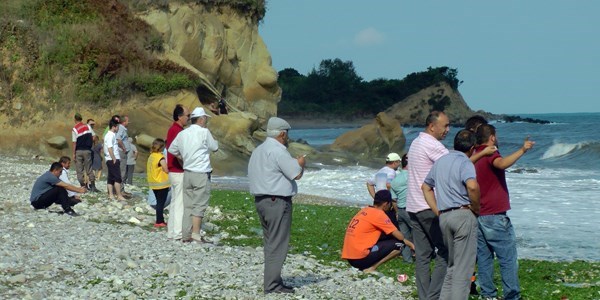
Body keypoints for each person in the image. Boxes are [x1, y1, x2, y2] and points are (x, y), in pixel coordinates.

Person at [407, 111, 496, 300]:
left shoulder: (416, 142)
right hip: (433, 208)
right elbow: (457, 164)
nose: (448, 129)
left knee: (423, 258)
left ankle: (426, 297)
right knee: (448, 257)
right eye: (445, 125)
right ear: (432, 126)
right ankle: (434, 296)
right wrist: (482, 154)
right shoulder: (433, 146)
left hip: (414, 205)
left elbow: (438, 173)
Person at [474, 124, 535, 300]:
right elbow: (501, 164)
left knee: (484, 259)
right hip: (495, 215)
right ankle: (512, 296)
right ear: (492, 137)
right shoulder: (490, 152)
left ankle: (488, 295)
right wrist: (523, 150)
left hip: (480, 214)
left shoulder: (473, 154)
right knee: (507, 258)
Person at [248, 117, 305, 294]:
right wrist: (301, 164)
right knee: (278, 244)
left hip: (261, 200)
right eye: (287, 134)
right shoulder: (279, 151)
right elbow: (296, 174)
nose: (287, 138)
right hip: (276, 201)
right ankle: (272, 285)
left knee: (270, 243)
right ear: (282, 134)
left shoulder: (258, 150)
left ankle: (273, 280)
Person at [422, 130, 481, 300]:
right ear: (472, 148)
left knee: (452, 267)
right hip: (462, 214)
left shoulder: (440, 161)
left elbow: (425, 187)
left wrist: (438, 211)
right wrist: (476, 208)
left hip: (445, 216)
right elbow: (472, 186)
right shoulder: (465, 162)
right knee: (463, 270)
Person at [168, 107, 219, 243]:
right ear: (201, 119)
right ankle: (196, 234)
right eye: (205, 119)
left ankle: (186, 235)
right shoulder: (204, 132)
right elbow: (214, 147)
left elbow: (171, 149)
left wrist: (183, 156)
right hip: (201, 172)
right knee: (199, 204)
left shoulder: (183, 133)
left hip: (187, 172)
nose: (206, 121)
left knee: (188, 205)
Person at [342, 190, 415, 273]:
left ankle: (367, 266)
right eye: (390, 204)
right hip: (360, 259)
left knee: (388, 238)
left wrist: (410, 244)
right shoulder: (379, 214)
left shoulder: (364, 210)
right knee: (399, 244)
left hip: (349, 257)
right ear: (385, 204)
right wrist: (411, 244)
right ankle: (372, 268)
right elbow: (400, 237)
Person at [166, 104, 189, 240]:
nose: (189, 118)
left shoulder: (173, 129)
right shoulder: (177, 130)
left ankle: (172, 231)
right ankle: (178, 232)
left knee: (175, 202)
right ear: (180, 117)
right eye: (188, 116)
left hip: (173, 170)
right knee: (179, 202)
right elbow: (176, 151)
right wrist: (185, 164)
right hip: (177, 170)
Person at [390, 153, 413, 263]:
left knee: (404, 237)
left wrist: (397, 211)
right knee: (421, 234)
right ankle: (426, 257)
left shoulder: (395, 180)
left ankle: (407, 259)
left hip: (400, 209)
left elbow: (394, 200)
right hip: (411, 210)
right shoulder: (413, 177)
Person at [72, 113, 98, 192]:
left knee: (79, 170)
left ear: (75, 119)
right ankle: (93, 186)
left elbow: (74, 142)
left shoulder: (74, 129)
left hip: (79, 151)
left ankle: (83, 186)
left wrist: (73, 153)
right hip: (87, 150)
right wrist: (90, 142)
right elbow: (94, 136)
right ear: (81, 119)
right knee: (89, 169)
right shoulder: (88, 126)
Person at [147, 138, 170, 227]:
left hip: (153, 183)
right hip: (161, 183)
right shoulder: (160, 157)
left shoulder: (151, 156)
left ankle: (160, 220)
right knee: (161, 203)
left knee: (159, 202)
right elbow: (166, 169)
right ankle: (159, 221)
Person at [104, 118, 126, 201]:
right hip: (112, 159)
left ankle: (111, 195)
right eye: (117, 127)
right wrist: (114, 158)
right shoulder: (110, 135)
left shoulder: (109, 135)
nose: (118, 129)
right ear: (114, 127)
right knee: (117, 178)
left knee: (111, 178)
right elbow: (109, 148)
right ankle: (119, 195)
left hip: (110, 159)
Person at [116, 115, 131, 193]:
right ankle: (120, 190)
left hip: (122, 152)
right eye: (127, 121)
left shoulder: (122, 128)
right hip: (122, 152)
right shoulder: (121, 128)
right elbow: (118, 139)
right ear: (124, 122)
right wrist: (124, 148)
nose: (129, 122)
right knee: (122, 171)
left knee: (122, 171)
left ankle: (120, 189)